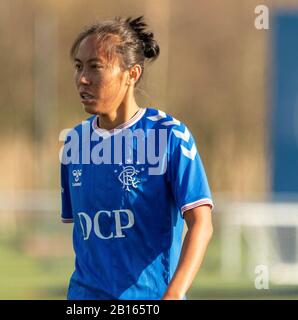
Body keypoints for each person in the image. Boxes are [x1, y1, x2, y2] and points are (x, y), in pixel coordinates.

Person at [60, 16, 213, 300]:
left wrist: (175, 293)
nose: (82, 78)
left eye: (96, 67)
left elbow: (201, 224)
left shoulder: (168, 136)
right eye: (79, 67)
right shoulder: (74, 143)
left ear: (132, 74)